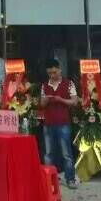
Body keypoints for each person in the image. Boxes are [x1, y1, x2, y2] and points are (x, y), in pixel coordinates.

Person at [39, 59, 78, 189]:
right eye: (50, 73)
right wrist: (46, 100)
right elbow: (42, 104)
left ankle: (70, 179)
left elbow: (74, 102)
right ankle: (48, 180)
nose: (52, 75)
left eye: (54, 72)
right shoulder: (45, 85)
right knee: (48, 153)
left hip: (63, 123)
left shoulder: (69, 84)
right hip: (48, 123)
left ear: (60, 70)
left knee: (66, 153)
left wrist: (61, 100)